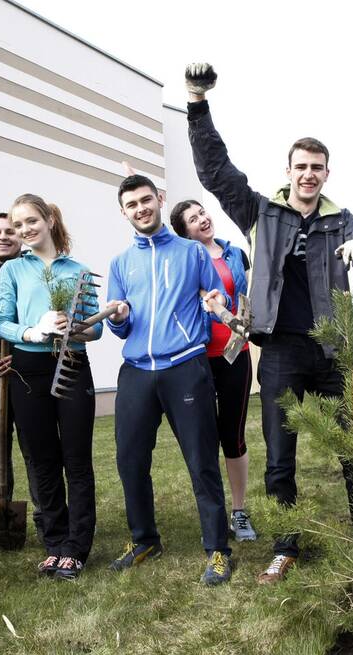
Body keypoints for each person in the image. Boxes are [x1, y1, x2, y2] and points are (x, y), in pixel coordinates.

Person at [184, 63, 353, 584]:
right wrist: (197, 102)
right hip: (278, 350)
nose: (308, 174)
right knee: (281, 454)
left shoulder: (341, 219)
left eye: (317, 167)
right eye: (301, 166)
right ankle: (286, 543)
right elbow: (214, 171)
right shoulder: (261, 213)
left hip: (332, 351)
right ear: (289, 169)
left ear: (327, 173)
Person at [105, 174, 233, 586]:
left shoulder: (193, 252)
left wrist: (219, 302)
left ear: (159, 200)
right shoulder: (121, 263)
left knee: (201, 461)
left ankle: (217, 550)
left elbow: (218, 297)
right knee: (130, 461)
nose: (141, 208)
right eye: (132, 204)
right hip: (138, 372)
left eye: (146, 200)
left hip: (186, 367)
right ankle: (144, 540)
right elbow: (119, 327)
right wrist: (120, 320)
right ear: (123, 212)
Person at [0, 194, 102, 581]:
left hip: (71, 364)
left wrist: (73, 327)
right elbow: (1, 322)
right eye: (18, 225)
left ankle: (77, 546)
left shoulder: (79, 269)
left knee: (75, 458)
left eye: (30, 221)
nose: (24, 230)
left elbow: (97, 329)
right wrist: (33, 329)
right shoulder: (11, 271)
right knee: (41, 459)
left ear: (49, 218)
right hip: (29, 367)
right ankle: (55, 543)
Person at [169, 199, 257, 542]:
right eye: (193, 219)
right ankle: (212, 512)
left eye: (203, 212)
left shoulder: (235, 254)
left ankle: (239, 511)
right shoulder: (184, 258)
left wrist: (247, 322)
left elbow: (247, 298)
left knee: (232, 435)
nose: (203, 219)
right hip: (198, 356)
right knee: (203, 438)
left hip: (236, 353)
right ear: (184, 231)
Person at [0, 213, 39, 547]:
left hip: (26, 369)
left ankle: (45, 517)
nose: (3, 236)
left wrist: (20, 351)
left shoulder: (32, 267)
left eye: (10, 230)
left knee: (33, 448)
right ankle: (1, 513)